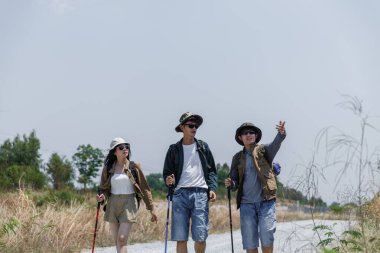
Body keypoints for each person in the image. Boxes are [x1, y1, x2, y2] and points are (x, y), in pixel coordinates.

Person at [224, 121, 286, 253]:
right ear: (240, 138)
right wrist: (231, 183)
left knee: (267, 236)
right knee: (250, 242)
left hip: (266, 202)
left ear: (256, 135)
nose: (248, 135)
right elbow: (234, 182)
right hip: (247, 205)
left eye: (251, 132)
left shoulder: (264, 150)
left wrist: (281, 134)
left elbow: (276, 143)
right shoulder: (237, 158)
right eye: (244, 133)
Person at [163, 112, 217, 253]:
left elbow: (212, 171)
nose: (194, 128)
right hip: (180, 195)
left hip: (200, 194)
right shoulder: (173, 149)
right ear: (182, 127)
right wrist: (168, 180)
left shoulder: (203, 147)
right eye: (191, 125)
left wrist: (212, 188)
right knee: (181, 238)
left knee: (200, 237)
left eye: (196, 126)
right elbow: (167, 172)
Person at [97, 137, 157, 253]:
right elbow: (103, 188)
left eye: (126, 146)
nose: (125, 149)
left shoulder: (134, 167)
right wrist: (102, 197)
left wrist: (151, 208)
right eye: (121, 147)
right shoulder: (108, 168)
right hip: (113, 203)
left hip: (129, 203)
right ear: (115, 152)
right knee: (117, 242)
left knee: (122, 239)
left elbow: (145, 188)